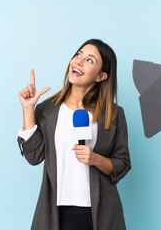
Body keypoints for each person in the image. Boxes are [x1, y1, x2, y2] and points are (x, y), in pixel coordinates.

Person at [17, 39, 131, 230]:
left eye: (89, 60)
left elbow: (123, 163)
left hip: (100, 214)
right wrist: (28, 110)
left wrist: (95, 159)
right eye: (78, 55)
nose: (78, 61)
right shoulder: (47, 110)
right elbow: (34, 156)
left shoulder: (113, 114)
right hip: (55, 214)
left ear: (101, 76)